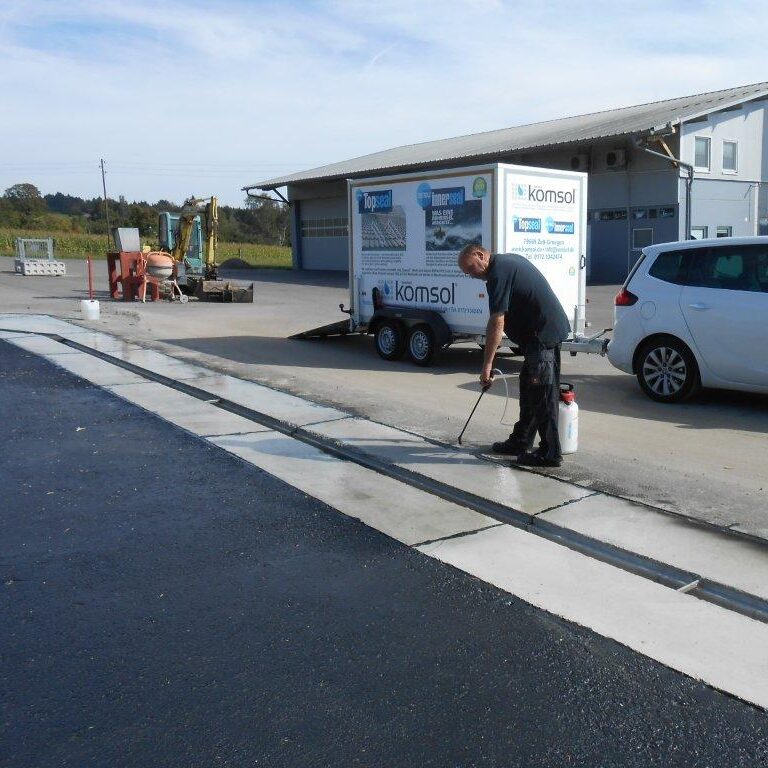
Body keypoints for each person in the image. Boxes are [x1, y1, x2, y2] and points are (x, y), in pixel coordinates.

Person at [457, 245, 571, 467]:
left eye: (471, 269)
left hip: (542, 336)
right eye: (467, 273)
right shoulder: (506, 263)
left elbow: (497, 321)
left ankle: (550, 453)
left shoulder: (498, 273)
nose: (472, 275)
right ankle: (520, 441)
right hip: (537, 336)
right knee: (529, 388)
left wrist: (487, 365)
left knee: (542, 393)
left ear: (480, 255)